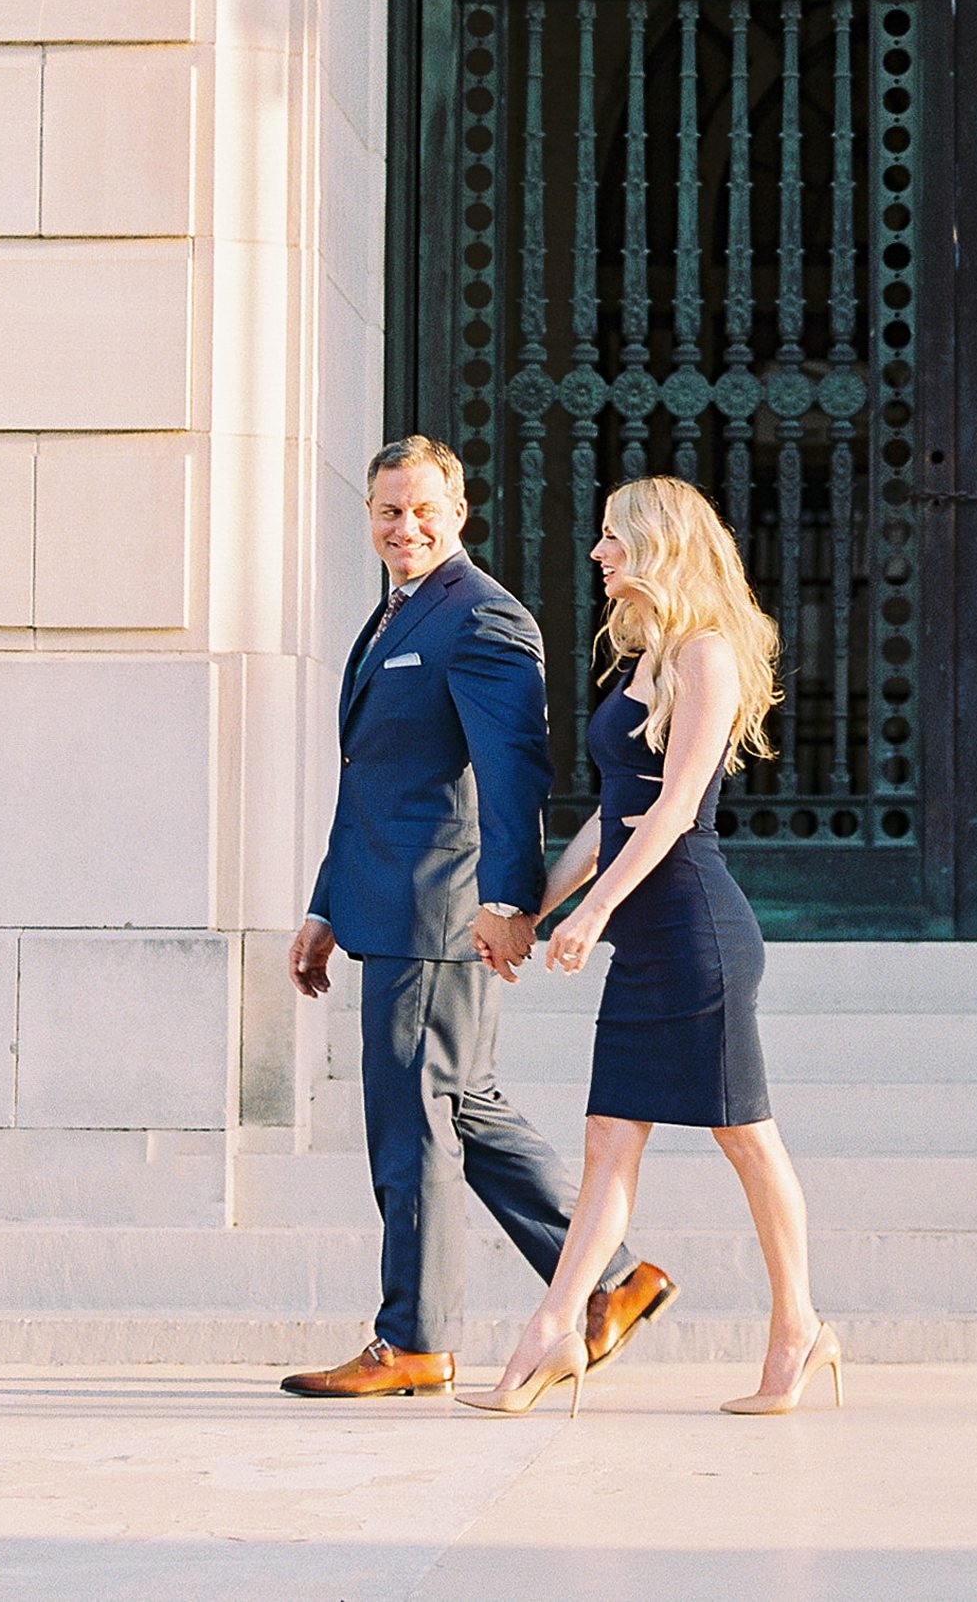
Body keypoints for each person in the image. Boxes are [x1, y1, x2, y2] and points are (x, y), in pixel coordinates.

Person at [279, 437, 677, 1400]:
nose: (403, 527)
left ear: (458, 512)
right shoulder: (392, 615)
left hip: (440, 914)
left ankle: (413, 1339)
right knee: (461, 1105)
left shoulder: (484, 617)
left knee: (415, 1122)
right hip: (385, 903)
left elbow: (513, 775)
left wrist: (511, 903)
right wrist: (327, 906)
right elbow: (373, 781)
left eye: (422, 510)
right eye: (387, 511)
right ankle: (615, 1278)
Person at [459, 476, 838, 1422]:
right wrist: (540, 909)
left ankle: (799, 1331)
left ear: (660, 546)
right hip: (647, 936)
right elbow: (611, 812)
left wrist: (592, 918)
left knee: (747, 1141)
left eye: (613, 541)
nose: (599, 556)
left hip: (698, 933)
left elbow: (671, 812)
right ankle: (552, 1330)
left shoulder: (708, 654)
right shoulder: (645, 661)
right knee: (607, 1143)